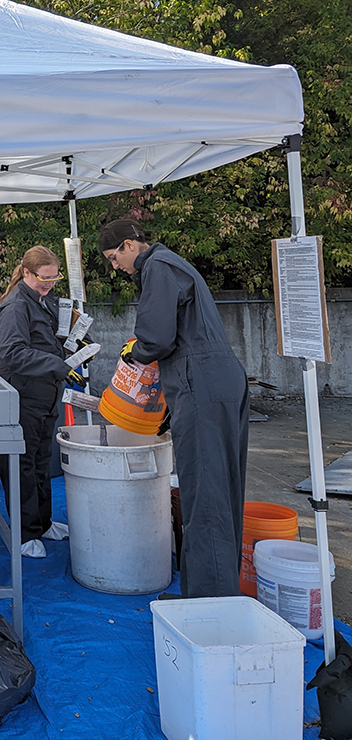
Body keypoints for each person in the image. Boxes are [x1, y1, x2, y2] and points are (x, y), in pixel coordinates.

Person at [99, 218, 249, 598]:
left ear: (131, 245)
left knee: (205, 494)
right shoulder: (174, 264)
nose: (115, 267)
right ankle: (220, 590)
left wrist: (134, 351)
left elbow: (156, 337)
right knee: (223, 488)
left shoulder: (159, 268)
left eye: (114, 258)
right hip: (219, 377)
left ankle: (207, 604)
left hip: (201, 381)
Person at [0, 246, 87, 558]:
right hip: (22, 396)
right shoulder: (15, 308)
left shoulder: (44, 302)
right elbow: (14, 353)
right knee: (21, 464)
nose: (50, 283)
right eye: (44, 278)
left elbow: (45, 342)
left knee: (42, 460)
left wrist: (72, 343)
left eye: (54, 277)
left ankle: (42, 523)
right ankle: (24, 532)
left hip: (45, 394)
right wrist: (60, 367)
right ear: (26, 273)